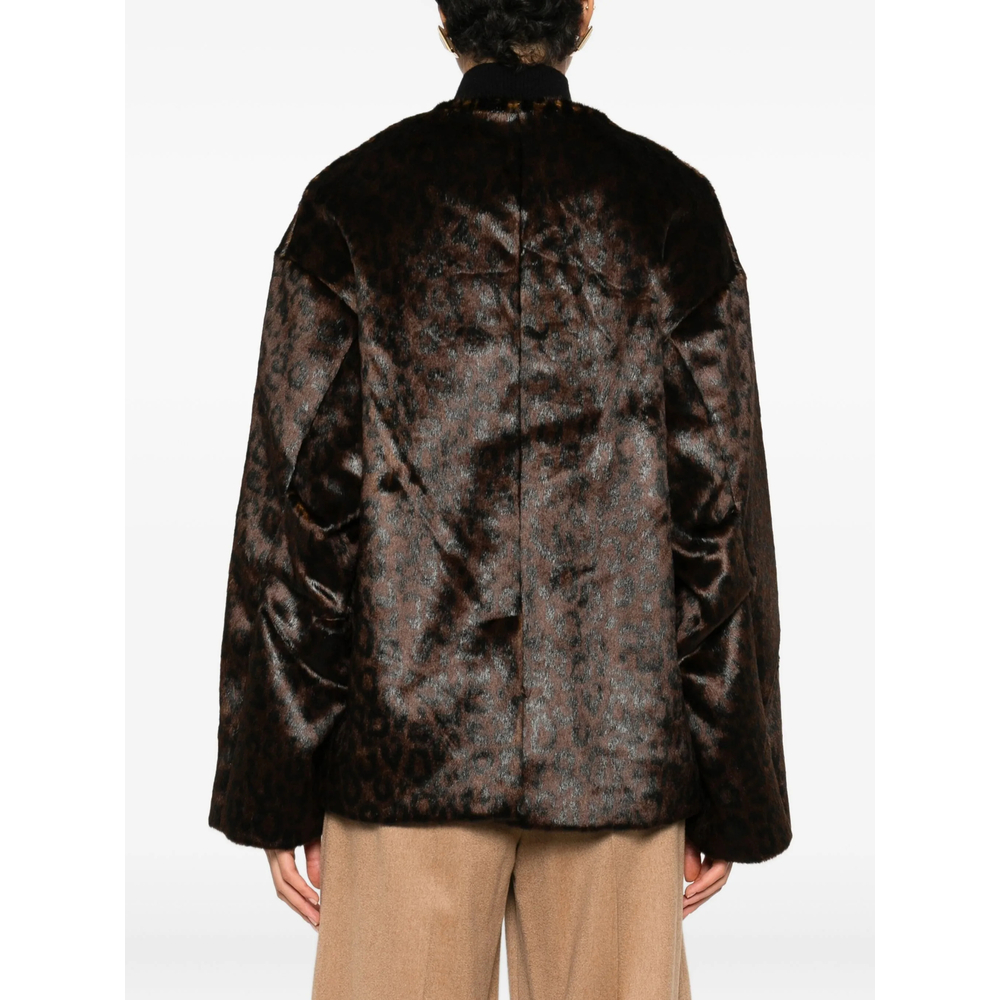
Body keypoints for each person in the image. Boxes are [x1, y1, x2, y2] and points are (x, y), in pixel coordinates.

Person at [208, 2, 792, 997]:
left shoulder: (353, 208)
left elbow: (297, 520)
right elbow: (718, 522)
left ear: (445, 14)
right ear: (584, 11)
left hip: (403, 762)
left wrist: (278, 775)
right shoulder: (670, 209)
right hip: (616, 759)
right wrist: (732, 782)